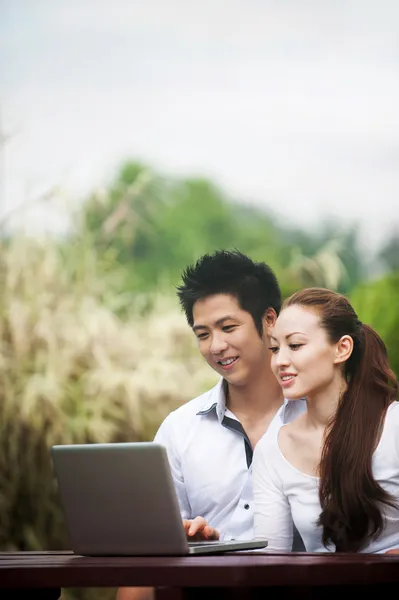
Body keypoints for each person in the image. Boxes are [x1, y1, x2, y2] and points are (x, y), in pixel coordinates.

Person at [116, 250, 306, 600]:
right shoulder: (179, 429)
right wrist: (184, 538)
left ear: (269, 321)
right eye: (203, 334)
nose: (217, 346)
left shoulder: (318, 417)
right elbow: (143, 553)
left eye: (228, 327)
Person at [253, 287, 399, 553]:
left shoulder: (393, 426)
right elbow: (268, 561)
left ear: (342, 348)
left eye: (295, 345)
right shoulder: (272, 450)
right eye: (275, 348)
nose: (280, 361)